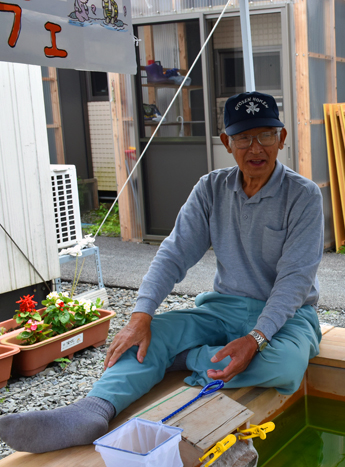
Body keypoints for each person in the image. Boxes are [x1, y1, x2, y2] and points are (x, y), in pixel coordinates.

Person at [0, 91, 324, 453]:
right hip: (225, 307)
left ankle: (184, 358)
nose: (256, 148)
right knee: (145, 336)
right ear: (226, 143)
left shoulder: (304, 195)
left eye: (265, 135)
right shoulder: (211, 188)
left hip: (289, 316)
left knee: (286, 364)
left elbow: (295, 281)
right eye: (243, 137)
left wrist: (256, 338)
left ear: (281, 138)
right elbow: (174, 254)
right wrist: (141, 315)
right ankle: (92, 410)